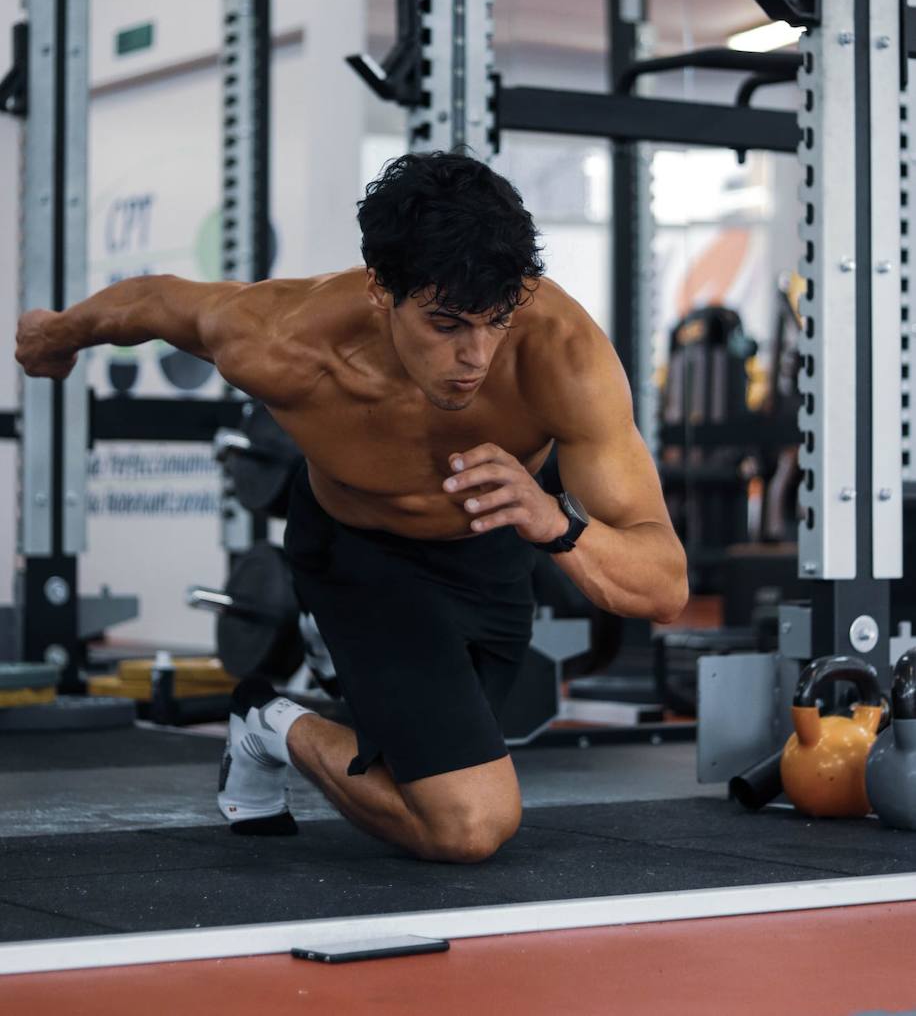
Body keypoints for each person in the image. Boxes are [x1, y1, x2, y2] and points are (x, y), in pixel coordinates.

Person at [16, 151, 687, 864]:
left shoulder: (561, 353)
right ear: (379, 290)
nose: (477, 356)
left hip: (492, 552)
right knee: (466, 824)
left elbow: (665, 587)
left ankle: (276, 727)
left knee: (426, 768)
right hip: (360, 553)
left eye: (497, 321)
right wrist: (58, 334)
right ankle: (269, 724)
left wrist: (556, 522)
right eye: (448, 323)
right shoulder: (279, 339)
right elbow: (152, 303)